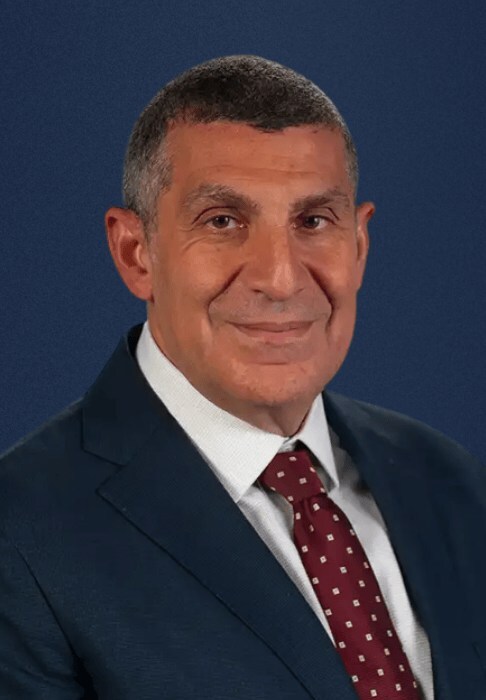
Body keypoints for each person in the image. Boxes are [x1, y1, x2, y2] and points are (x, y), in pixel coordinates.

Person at [0, 54, 485, 700]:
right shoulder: (21, 535)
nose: (280, 279)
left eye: (313, 221)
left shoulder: (451, 483)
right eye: (223, 221)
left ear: (359, 245)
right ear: (135, 254)